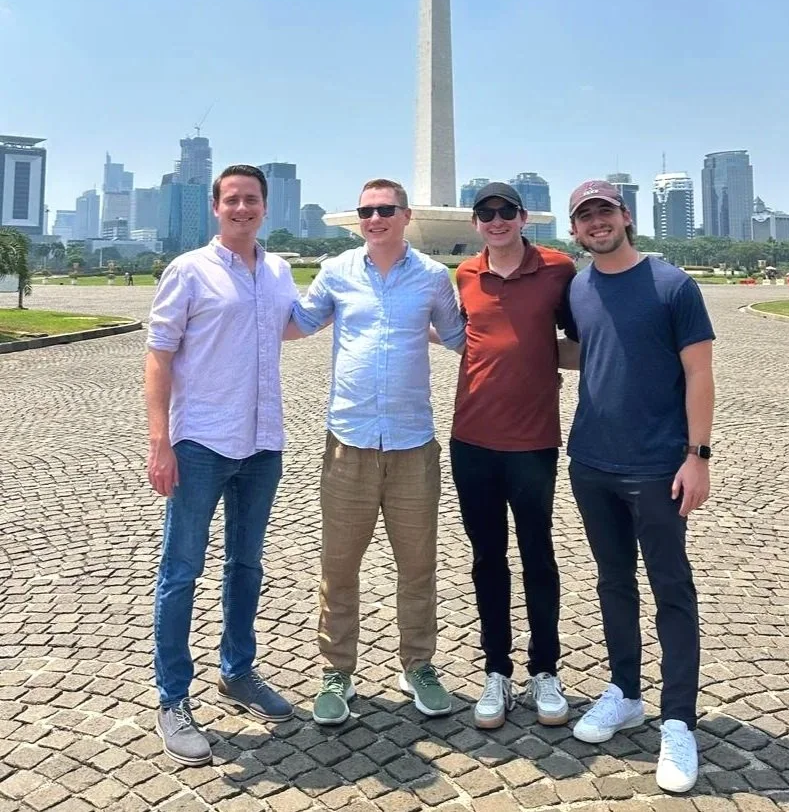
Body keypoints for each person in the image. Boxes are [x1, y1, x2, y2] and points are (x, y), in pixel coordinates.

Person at [289, 178, 466, 726]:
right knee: (338, 566)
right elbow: (298, 323)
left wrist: (534, 350)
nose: (375, 218)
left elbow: (463, 338)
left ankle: (418, 665)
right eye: (366, 210)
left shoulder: (434, 278)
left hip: (414, 444)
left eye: (385, 209)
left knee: (417, 567)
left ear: (405, 215)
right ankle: (336, 670)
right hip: (349, 442)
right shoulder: (337, 271)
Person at [558, 180, 715, 795]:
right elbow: (585, 351)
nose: (597, 224)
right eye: (585, 217)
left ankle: (678, 718)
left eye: (605, 213)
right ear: (575, 229)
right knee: (612, 580)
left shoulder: (673, 284)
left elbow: (698, 370)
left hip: (657, 465)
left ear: (625, 217)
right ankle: (625, 690)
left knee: (670, 586)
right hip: (591, 460)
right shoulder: (578, 286)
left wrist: (697, 456)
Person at [145, 164, 298, 766]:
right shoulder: (189, 271)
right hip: (201, 442)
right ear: (215, 207)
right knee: (181, 570)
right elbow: (158, 356)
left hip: (263, 442)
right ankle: (173, 697)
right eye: (231, 199)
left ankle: (238, 670)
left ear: (266, 206)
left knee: (247, 564)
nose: (242, 208)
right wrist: (160, 442)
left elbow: (293, 326)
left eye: (252, 199)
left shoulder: (281, 270)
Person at [450, 182, 575, 730]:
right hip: (472, 439)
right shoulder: (465, 275)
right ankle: (495, 669)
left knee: (538, 556)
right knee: (486, 559)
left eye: (505, 212)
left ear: (523, 218)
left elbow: (583, 335)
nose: (496, 220)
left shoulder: (557, 269)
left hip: (533, 440)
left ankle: (545, 668)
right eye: (486, 213)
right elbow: (460, 335)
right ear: (475, 223)